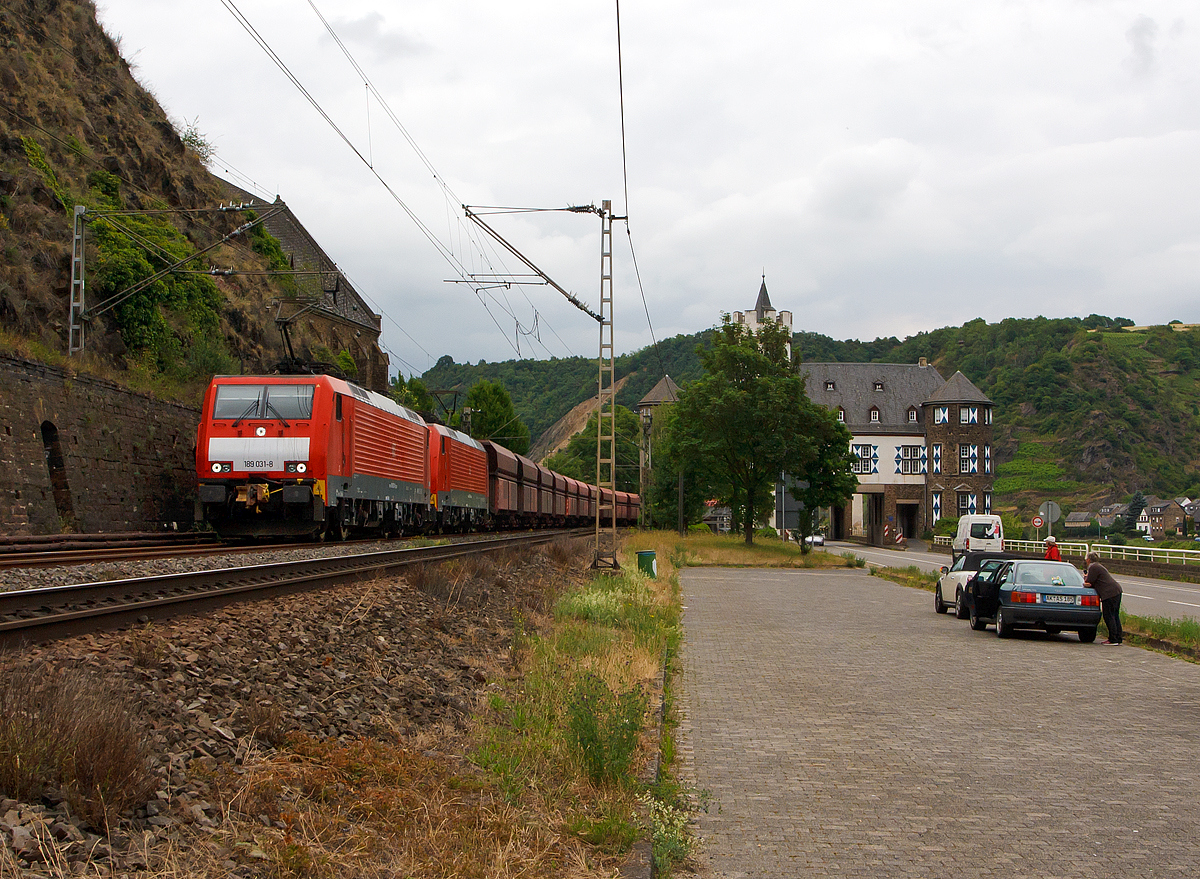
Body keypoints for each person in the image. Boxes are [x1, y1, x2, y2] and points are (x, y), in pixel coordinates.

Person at [1084, 551, 1123, 645]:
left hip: (1109, 593)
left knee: (1108, 615)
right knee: (1115, 615)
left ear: (1088, 559)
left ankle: (1113, 638)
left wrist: (1084, 580)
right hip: (1116, 591)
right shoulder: (1098, 566)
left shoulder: (1093, 567)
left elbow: (1089, 583)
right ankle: (1118, 637)